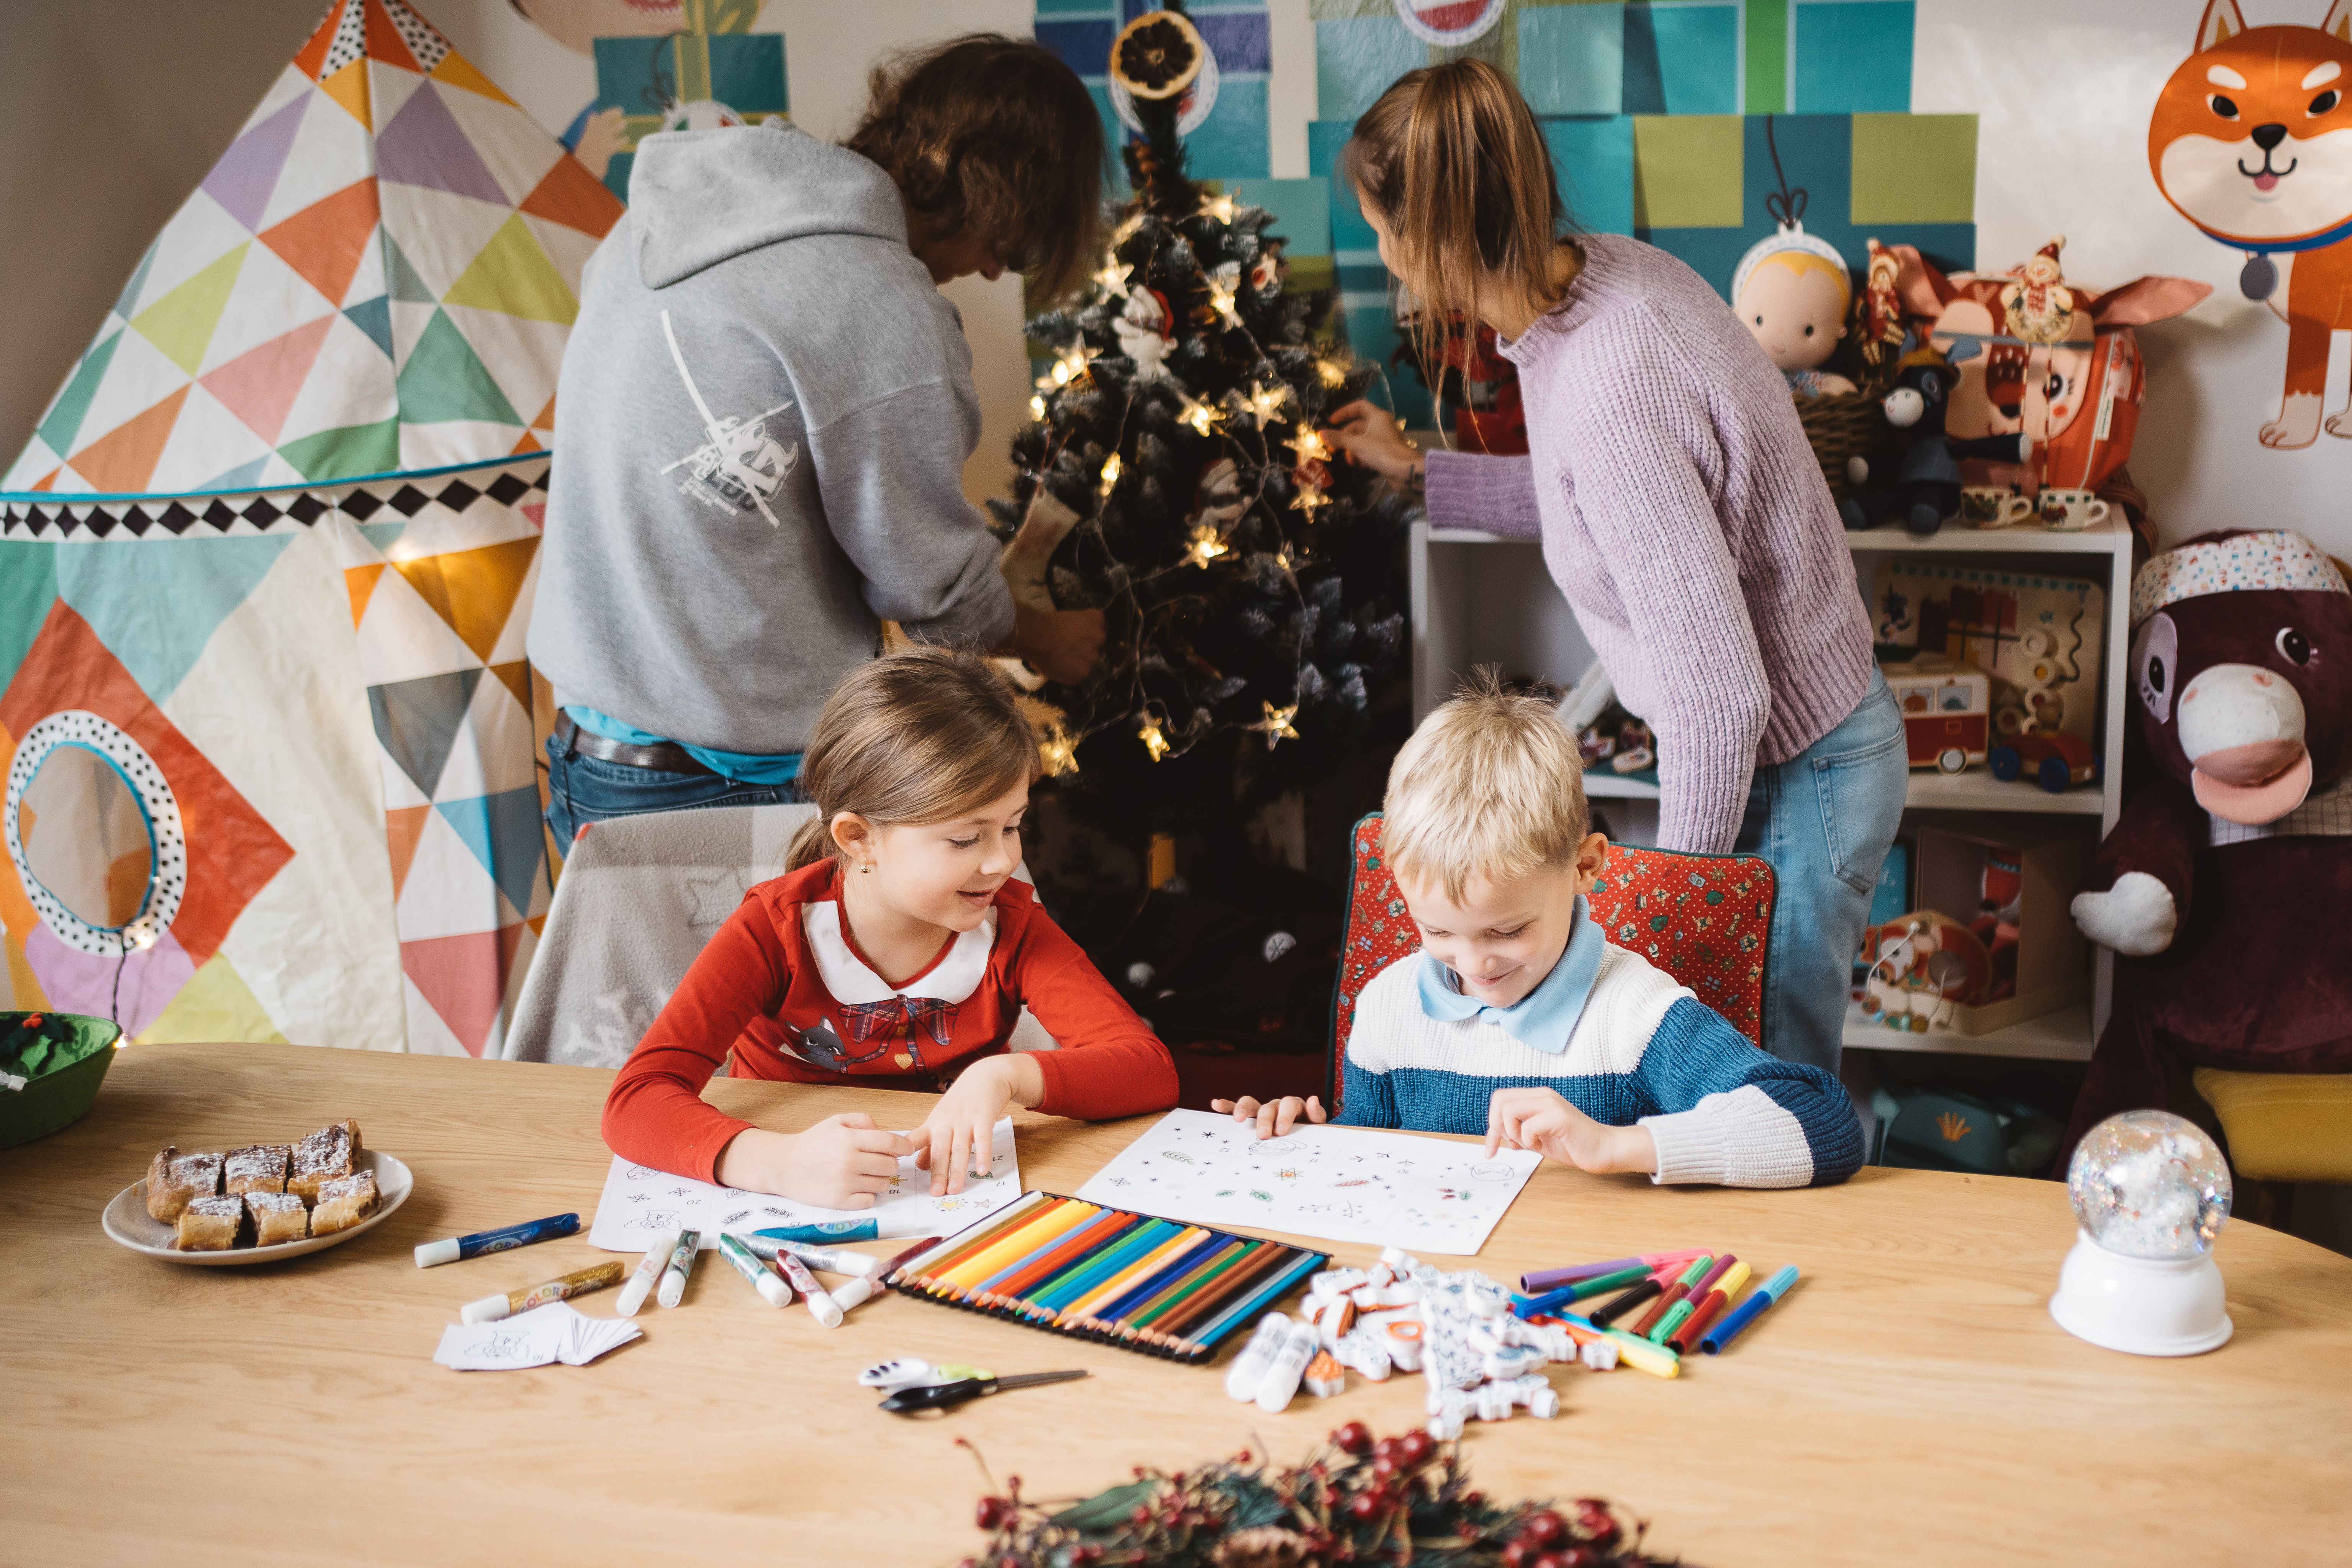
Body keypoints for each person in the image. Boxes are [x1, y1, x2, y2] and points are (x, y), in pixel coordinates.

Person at [1320, 59, 1904, 1076]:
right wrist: (1417, 469)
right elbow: (1581, 498)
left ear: (1434, 234)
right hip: (1805, 741)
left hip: (1796, 767)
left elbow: (1719, 698)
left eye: (1381, 225)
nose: (1382, 251)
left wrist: (1671, 913)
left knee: (1760, 1092)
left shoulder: (1605, 385)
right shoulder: (1600, 279)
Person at [530, 35, 1108, 845]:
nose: (988, 273)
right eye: (1008, 247)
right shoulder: (881, 306)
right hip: (728, 784)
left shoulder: (663, 224)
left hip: (589, 755)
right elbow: (933, 595)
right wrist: (1046, 637)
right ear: (995, 192)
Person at [1212, 675, 1862, 1189]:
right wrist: (1312, 1136)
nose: (1473, 964)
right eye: (1437, 929)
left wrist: (1616, 1146)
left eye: (1508, 929)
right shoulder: (1388, 1005)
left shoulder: (1633, 1013)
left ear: (1585, 867)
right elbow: (1372, 1162)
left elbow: (1822, 1121)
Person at [603, 648, 1179, 1206]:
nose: (1003, 860)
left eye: (1012, 825)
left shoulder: (1014, 924)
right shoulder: (775, 928)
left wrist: (1005, 1075)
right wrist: (778, 1164)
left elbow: (1148, 1069)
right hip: (791, 1192)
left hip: (951, 1202)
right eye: (964, 838)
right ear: (859, 838)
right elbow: (637, 1098)